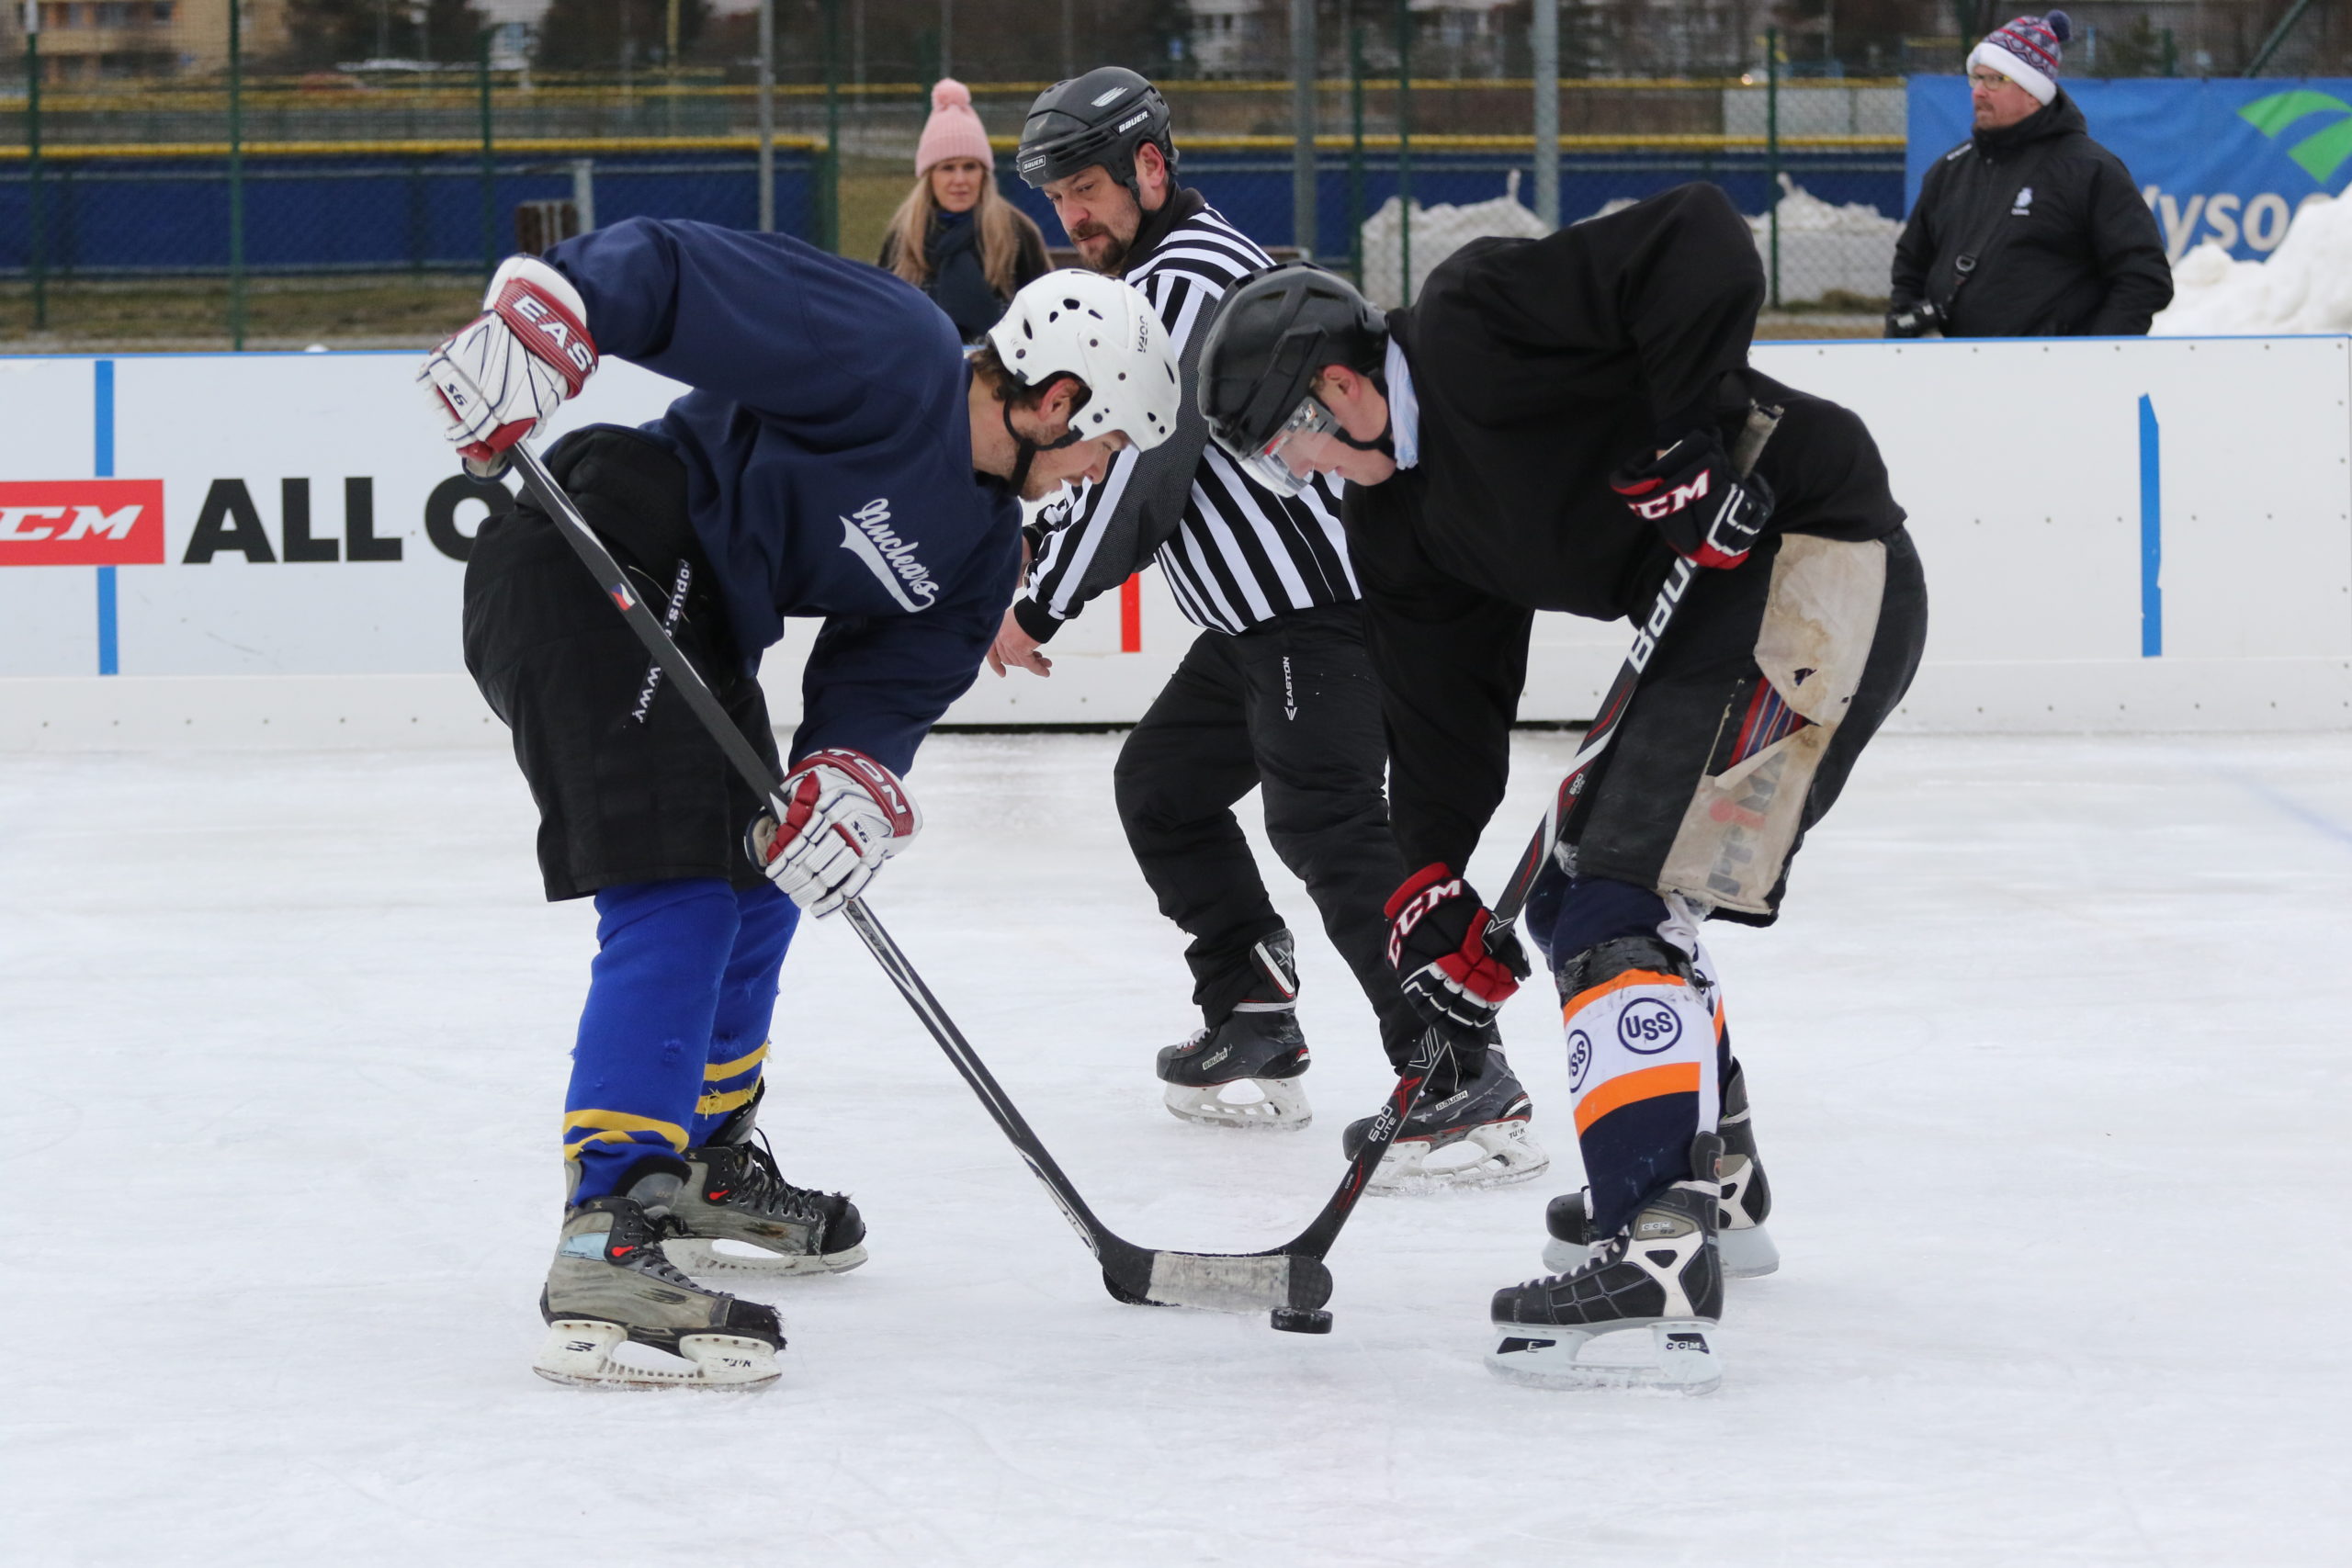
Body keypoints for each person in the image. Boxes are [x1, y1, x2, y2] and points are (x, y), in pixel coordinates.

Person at [420, 223, 1179, 1390]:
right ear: (1058, 399)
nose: (1096, 472)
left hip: (706, 620)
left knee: (760, 871)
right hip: (602, 550)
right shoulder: (896, 350)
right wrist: (549, 314)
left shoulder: (980, 553)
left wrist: (849, 785)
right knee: (675, 889)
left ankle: (706, 1158)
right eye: (1104, 444)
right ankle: (607, 1223)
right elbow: (677, 277)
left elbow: (881, 697)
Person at [1197, 184, 1928, 1391]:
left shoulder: (1474, 318)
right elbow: (1443, 718)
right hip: (1723, 616)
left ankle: (1655, 1249)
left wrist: (1691, 438)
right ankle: (1713, 1184)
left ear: (1332, 385)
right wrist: (1427, 882)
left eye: (1288, 447)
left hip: (1816, 565)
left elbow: (1697, 237)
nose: (1304, 473)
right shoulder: (1398, 521)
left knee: (1615, 898)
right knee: (1583, 899)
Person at [999, 65, 1544, 1191]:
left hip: (1319, 615)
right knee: (1162, 785)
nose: (1073, 217)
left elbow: (1137, 475)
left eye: (1088, 187)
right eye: (1057, 199)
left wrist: (1039, 597)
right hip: (1254, 626)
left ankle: (1457, 1070)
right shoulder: (1151, 272)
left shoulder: (1184, 282)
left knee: (1331, 827)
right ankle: (1252, 1010)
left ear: (1152, 168)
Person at [1888, 11, 2171, 339]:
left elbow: (2144, 278)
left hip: (2055, 378)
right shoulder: (1950, 169)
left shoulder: (2091, 170)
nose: (1979, 91)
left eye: (1995, 79)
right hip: (1952, 375)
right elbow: (1910, 267)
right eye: (1976, 78)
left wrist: (2097, 355)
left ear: (2033, 93)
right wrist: (1912, 338)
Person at [878, 79, 1052, 343]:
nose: (960, 179)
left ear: (984, 174)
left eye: (970, 167)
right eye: (947, 168)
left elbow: (1046, 313)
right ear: (929, 176)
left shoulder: (1016, 232)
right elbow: (883, 317)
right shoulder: (904, 235)